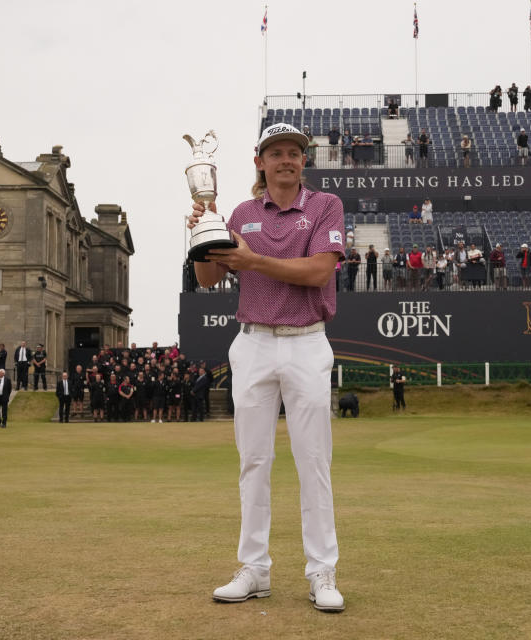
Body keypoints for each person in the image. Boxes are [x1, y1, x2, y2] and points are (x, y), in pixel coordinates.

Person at [190, 122, 344, 612]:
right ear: (259, 161)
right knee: (253, 461)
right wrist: (202, 231)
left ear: (303, 161)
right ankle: (254, 569)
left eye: (293, 153)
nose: (285, 160)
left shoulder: (325, 206)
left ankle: (322, 572)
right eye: (275, 152)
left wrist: (252, 261)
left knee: (313, 462)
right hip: (253, 342)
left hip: (306, 342)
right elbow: (209, 275)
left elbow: (320, 270)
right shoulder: (240, 213)